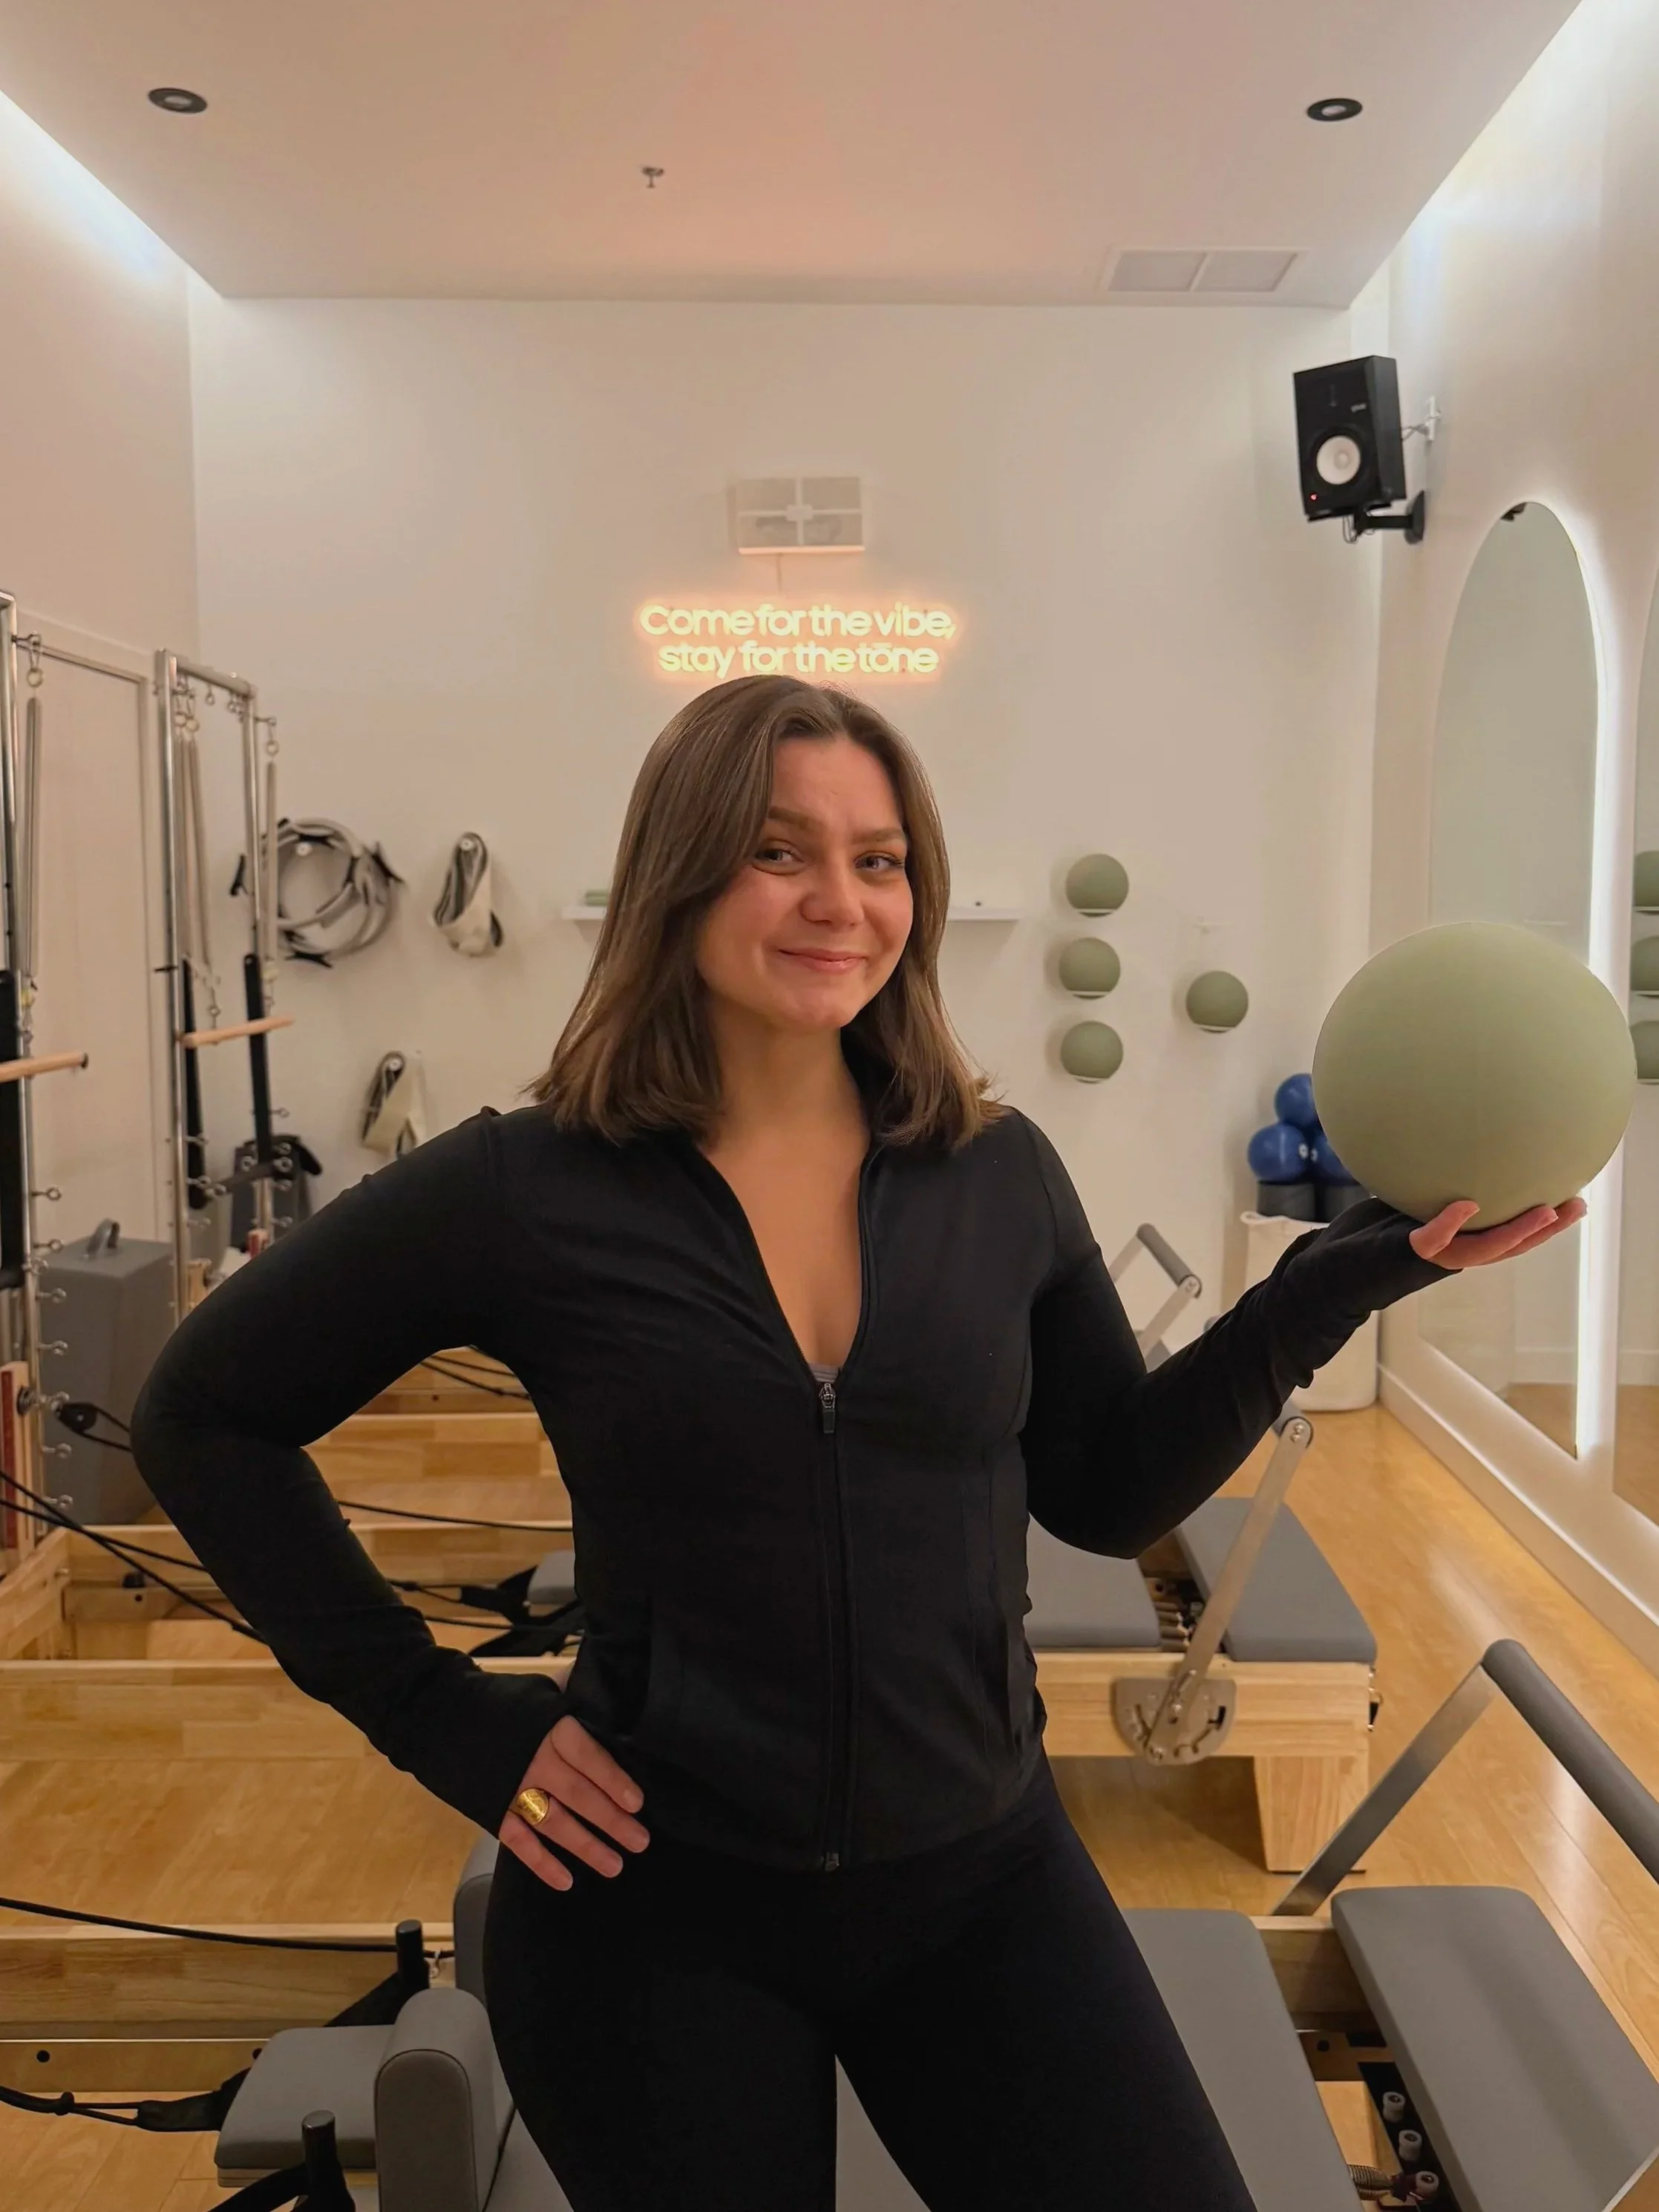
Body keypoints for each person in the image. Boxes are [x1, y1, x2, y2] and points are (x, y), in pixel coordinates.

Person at [130, 675, 1584, 2211]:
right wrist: (438, 1716)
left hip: (983, 1880)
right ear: (680, 871)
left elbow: (1106, 1487)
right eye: (780, 851)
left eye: (879, 859)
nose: (841, 900)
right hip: (653, 1915)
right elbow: (201, 1414)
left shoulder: (994, 1171)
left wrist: (1336, 1279)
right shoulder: (528, 1187)